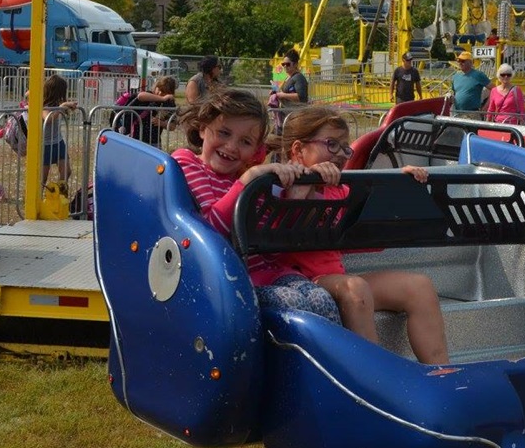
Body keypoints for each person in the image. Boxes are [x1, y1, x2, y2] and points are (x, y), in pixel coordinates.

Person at [270, 107, 449, 364]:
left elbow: (369, 201)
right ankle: (375, 380)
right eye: (331, 144)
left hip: (335, 277)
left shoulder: (339, 188)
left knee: (419, 286)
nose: (341, 155)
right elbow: (284, 238)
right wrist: (307, 184)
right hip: (299, 281)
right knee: (355, 287)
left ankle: (440, 372)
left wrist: (403, 180)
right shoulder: (279, 184)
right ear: (298, 150)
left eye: (345, 148)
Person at [172, 89, 341, 323]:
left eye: (245, 141)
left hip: (269, 273)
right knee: (294, 303)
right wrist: (247, 181)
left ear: (256, 150)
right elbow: (211, 230)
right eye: (223, 132)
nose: (231, 146)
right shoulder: (189, 163)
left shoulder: (255, 180)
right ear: (202, 129)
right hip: (227, 279)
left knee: (323, 300)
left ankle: (328, 360)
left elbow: (272, 247)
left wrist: (296, 198)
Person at [41, 74, 77, 187]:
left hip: (58, 142)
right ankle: (39, 201)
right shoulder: (43, 105)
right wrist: (62, 106)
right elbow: (48, 118)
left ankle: (59, 195)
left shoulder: (56, 104)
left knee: (67, 171)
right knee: (43, 179)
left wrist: (68, 106)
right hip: (45, 145)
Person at [137, 75, 178, 147]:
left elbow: (173, 126)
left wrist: (162, 123)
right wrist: (162, 99)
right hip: (136, 138)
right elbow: (140, 96)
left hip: (154, 140)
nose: (160, 93)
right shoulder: (150, 95)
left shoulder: (169, 104)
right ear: (156, 87)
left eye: (164, 92)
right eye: (159, 89)